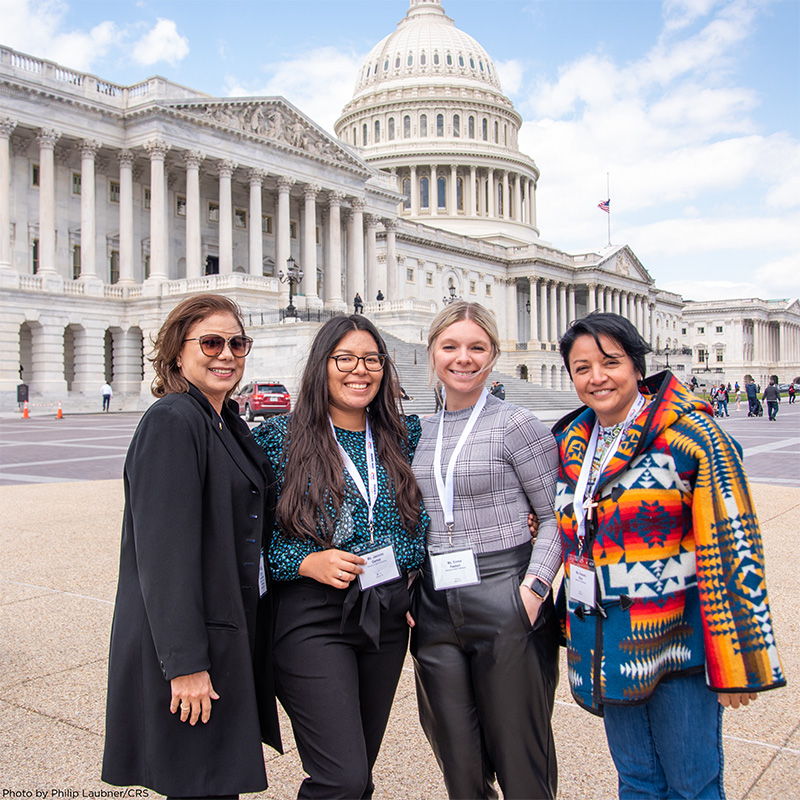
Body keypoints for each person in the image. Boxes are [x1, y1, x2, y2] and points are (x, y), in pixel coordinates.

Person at [553, 312, 785, 800]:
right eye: (581, 367)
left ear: (637, 366)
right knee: (636, 781)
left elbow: (733, 544)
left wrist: (735, 662)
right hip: (609, 646)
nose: (597, 377)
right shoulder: (572, 443)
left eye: (610, 362)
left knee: (692, 786)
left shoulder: (693, 437)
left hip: (680, 646)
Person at [102, 294, 282, 798]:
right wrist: (184, 666)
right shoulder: (173, 421)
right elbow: (164, 557)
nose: (226, 354)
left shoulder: (225, 422)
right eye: (211, 342)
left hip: (222, 632)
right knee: (199, 785)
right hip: (188, 648)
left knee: (213, 783)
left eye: (237, 343)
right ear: (177, 353)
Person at [252, 315, 428, 800]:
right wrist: (304, 561)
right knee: (341, 778)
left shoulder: (403, 436)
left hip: (386, 614)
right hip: (313, 616)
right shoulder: (279, 438)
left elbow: (451, 501)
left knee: (358, 773)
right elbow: (245, 536)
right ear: (322, 366)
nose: (360, 370)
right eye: (345, 359)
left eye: (371, 359)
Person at [410, 301, 561, 800]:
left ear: (493, 356)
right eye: (450, 346)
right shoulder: (417, 431)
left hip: (503, 590)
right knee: (459, 761)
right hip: (434, 603)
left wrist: (533, 591)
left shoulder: (517, 424)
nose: (464, 358)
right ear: (432, 352)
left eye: (477, 348)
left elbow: (557, 518)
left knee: (521, 760)